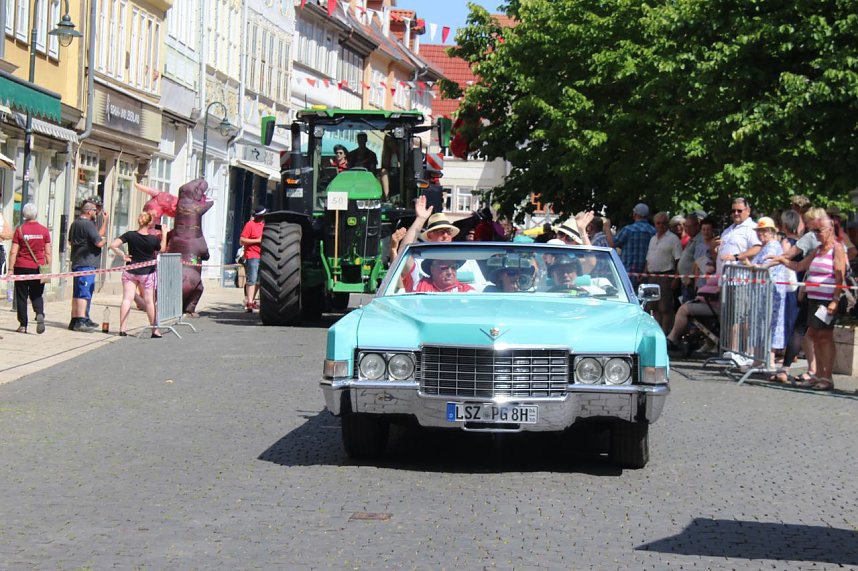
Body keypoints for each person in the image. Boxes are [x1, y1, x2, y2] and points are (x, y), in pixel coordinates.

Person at [768, 216, 847, 390]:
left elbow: (840, 275)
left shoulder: (837, 248)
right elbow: (800, 266)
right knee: (814, 336)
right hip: (814, 299)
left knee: (825, 337)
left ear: (830, 230)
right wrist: (782, 260)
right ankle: (818, 374)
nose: (816, 234)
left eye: (819, 230)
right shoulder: (818, 250)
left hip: (827, 301)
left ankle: (826, 377)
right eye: (814, 231)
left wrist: (834, 300)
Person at [109, 211, 166, 338]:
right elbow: (162, 249)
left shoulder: (130, 235)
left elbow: (113, 245)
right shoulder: (153, 239)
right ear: (150, 223)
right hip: (147, 272)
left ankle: (122, 329)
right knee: (149, 302)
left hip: (130, 270)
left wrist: (123, 255)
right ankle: (154, 330)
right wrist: (165, 233)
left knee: (127, 299)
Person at [747, 217, 787, 371]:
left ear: (771, 232)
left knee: (770, 324)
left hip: (772, 293)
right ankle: (757, 360)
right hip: (761, 292)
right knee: (759, 323)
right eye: (759, 231)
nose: (761, 234)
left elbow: (764, 266)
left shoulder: (772, 246)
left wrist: (752, 266)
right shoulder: (765, 246)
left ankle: (769, 361)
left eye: (764, 231)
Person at [7, 203, 51, 334]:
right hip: (39, 267)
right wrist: (48, 268)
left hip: (21, 266)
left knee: (21, 296)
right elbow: (48, 252)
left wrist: (10, 269)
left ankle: (23, 325)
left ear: (24, 215)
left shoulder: (20, 230)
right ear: (36, 214)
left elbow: (13, 251)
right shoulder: (44, 230)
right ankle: (39, 313)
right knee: (37, 293)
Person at [68, 199, 108, 332]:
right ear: (89, 211)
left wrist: (105, 222)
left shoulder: (75, 224)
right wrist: (104, 241)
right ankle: (81, 320)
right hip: (87, 263)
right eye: (95, 211)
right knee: (84, 293)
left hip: (77, 261)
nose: (96, 213)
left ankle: (75, 319)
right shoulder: (88, 225)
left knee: (78, 292)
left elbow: (70, 241)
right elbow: (98, 242)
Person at [645, 212, 683, 334]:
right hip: (652, 276)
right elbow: (648, 258)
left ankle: (666, 333)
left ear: (667, 224)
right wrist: (644, 273)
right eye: (658, 223)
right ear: (655, 224)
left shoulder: (673, 239)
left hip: (666, 276)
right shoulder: (652, 238)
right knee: (653, 307)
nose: (661, 225)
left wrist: (676, 278)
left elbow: (679, 260)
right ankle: (657, 332)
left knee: (665, 308)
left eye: (664, 223)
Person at [602, 203, 655, 283]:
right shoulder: (653, 231)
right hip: (647, 274)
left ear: (635, 214)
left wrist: (607, 227)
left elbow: (612, 244)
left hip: (628, 273)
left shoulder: (628, 230)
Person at [239, 205, 267, 312]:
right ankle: (249, 302)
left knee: (259, 280)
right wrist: (257, 241)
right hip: (252, 255)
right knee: (252, 279)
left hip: (263, 255)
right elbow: (242, 240)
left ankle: (252, 300)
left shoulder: (265, 225)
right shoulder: (250, 225)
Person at [404, 259, 473, 293]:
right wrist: (415, 230)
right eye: (444, 268)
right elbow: (406, 259)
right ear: (432, 269)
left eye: (454, 267)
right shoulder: (420, 283)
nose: (450, 272)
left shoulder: (466, 291)